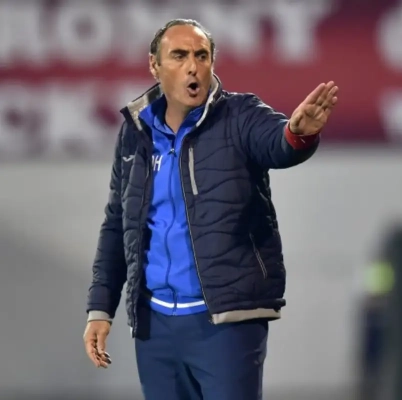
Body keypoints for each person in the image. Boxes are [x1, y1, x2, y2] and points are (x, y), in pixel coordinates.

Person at [82, 18, 338, 400]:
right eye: (179, 56)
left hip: (224, 324)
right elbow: (118, 224)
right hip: (155, 327)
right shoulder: (135, 132)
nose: (193, 66)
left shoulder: (240, 115)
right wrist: (100, 309)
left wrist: (298, 133)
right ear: (154, 65)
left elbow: (278, 144)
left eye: (201, 56)